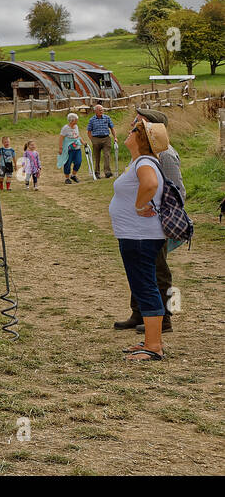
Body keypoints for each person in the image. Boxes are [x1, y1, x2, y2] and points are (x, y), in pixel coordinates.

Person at [114, 109, 182, 334]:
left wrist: (161, 216)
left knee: (159, 270)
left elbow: (175, 191)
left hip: (156, 224)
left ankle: (164, 318)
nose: (133, 124)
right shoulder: (145, 152)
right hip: (137, 227)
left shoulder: (166, 154)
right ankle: (140, 312)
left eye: (138, 122)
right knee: (141, 269)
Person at [109, 119, 168, 360]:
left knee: (145, 287)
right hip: (136, 235)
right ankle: (150, 341)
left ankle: (154, 347)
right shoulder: (141, 162)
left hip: (139, 235)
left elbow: (151, 184)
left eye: (134, 130)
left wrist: (139, 204)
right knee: (143, 285)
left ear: (141, 139)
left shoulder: (144, 162)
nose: (129, 132)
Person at [87, 103, 116, 178]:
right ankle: (97, 173)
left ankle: (107, 172)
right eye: (99, 110)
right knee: (97, 157)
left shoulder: (107, 118)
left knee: (107, 155)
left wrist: (115, 137)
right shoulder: (92, 120)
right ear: (95, 111)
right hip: (96, 139)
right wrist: (92, 140)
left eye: (102, 110)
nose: (101, 111)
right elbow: (89, 131)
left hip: (106, 138)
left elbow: (112, 128)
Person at [58, 113, 84, 184]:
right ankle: (67, 178)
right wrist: (60, 148)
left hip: (77, 148)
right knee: (67, 163)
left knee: (78, 162)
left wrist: (83, 143)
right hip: (68, 149)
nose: (77, 120)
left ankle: (73, 175)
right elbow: (61, 138)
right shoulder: (65, 128)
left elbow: (78, 136)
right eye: (76, 119)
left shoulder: (76, 127)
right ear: (72, 120)